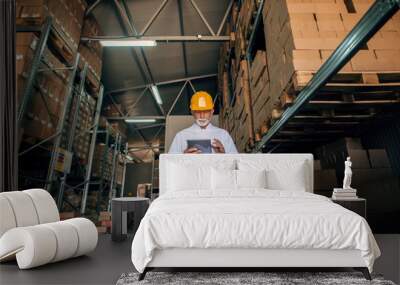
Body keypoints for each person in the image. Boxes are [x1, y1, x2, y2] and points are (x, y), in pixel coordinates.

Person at [169, 91, 238, 154]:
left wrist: (224, 154)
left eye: (206, 111)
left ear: (212, 112)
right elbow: (170, 164)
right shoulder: (181, 136)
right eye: (198, 112)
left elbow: (237, 163)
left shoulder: (223, 135)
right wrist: (183, 157)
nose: (202, 116)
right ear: (192, 112)